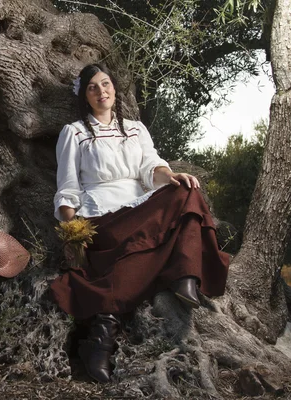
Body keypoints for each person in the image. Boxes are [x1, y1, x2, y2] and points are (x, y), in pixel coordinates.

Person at [50, 63, 229, 383]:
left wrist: (171, 176)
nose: (101, 91)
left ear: (115, 88)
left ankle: (184, 276)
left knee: (187, 189)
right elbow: (67, 188)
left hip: (141, 207)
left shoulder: (135, 128)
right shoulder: (75, 132)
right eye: (93, 87)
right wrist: (72, 230)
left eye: (106, 84)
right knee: (140, 249)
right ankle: (102, 339)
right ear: (85, 96)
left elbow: (152, 169)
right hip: (102, 217)